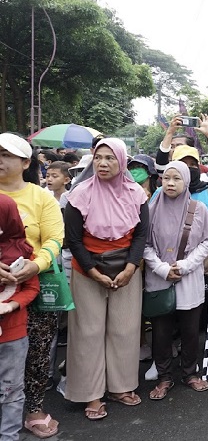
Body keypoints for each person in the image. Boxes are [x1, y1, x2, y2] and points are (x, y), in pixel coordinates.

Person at [64, 138, 148, 421]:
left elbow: (141, 235)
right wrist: (92, 271)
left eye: (110, 158)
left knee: (125, 329)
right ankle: (91, 393)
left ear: (122, 161)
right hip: (87, 270)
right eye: (98, 157)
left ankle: (120, 387)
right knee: (88, 332)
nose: (102, 163)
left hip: (126, 269)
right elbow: (73, 240)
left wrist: (131, 267)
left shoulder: (136, 194)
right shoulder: (80, 194)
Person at [0, 133, 64, 439]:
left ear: (26, 162)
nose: (0, 160)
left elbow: (54, 239)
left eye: (6, 155)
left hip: (35, 285)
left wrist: (35, 265)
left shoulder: (41, 197)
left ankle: (34, 408)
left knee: (37, 352)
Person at [143, 161, 208, 400]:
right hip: (159, 278)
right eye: (166, 178)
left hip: (189, 277)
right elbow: (144, 244)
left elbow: (207, 240)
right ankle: (164, 377)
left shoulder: (199, 209)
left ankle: (190, 372)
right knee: (161, 331)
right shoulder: (151, 209)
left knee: (190, 330)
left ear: (186, 181)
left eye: (176, 178)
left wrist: (185, 266)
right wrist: (162, 268)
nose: (170, 183)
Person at [0, 194, 41, 441]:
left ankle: (9, 436)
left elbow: (32, 288)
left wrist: (13, 305)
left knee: (12, 389)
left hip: (13, 333)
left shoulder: (22, 254)